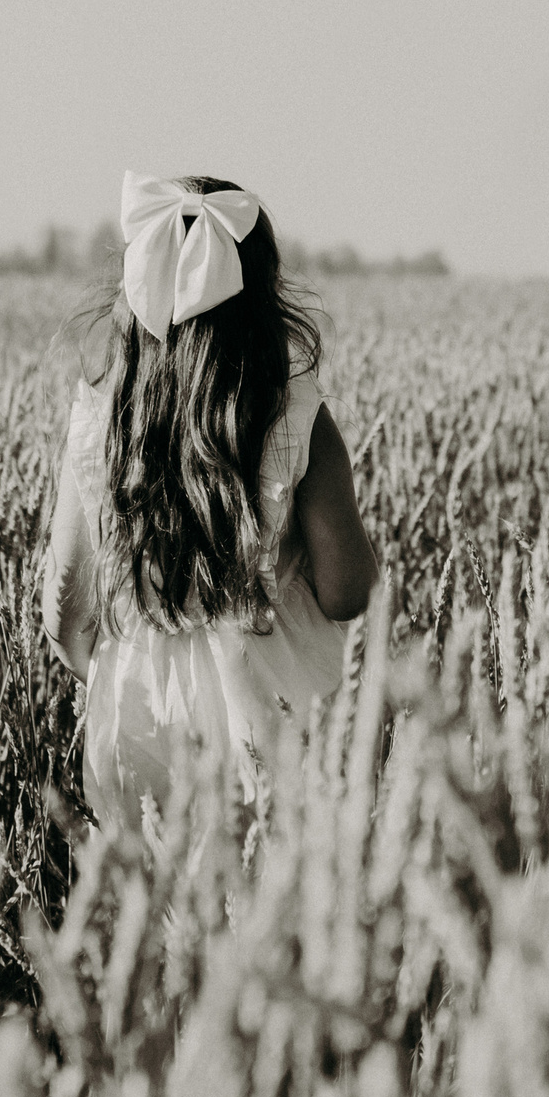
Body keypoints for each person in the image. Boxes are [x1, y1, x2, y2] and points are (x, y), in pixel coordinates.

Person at [42, 171, 379, 832]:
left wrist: (117, 669)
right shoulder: (296, 413)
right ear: (262, 296)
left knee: (161, 911)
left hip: (140, 716)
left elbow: (64, 598)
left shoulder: (99, 419)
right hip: (275, 702)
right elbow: (347, 592)